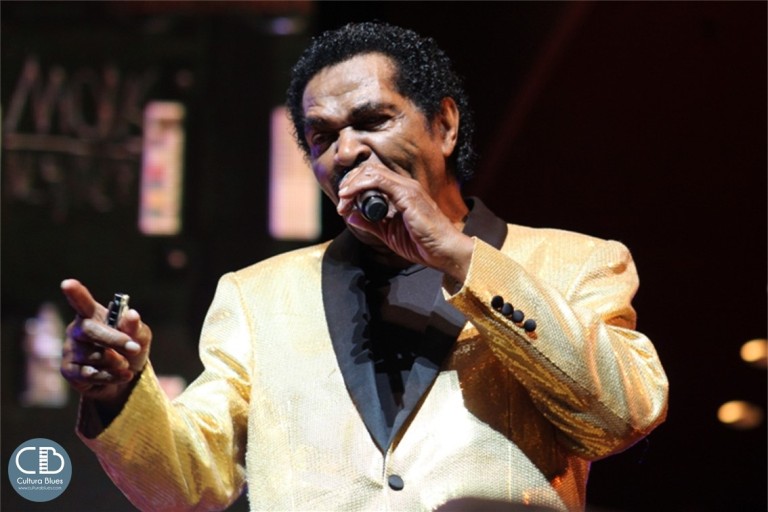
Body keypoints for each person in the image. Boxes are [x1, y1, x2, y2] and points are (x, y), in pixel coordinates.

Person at [60, 21, 668, 512]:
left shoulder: (576, 262)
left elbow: (621, 417)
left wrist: (460, 258)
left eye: (373, 121)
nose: (348, 150)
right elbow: (186, 485)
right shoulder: (258, 295)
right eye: (322, 137)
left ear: (444, 125)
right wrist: (120, 393)